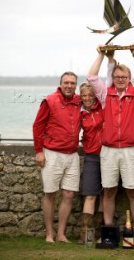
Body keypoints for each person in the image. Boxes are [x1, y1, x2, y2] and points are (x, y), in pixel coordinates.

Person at [87, 44, 134, 245]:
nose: (120, 80)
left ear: (129, 78)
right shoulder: (106, 95)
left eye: (124, 77)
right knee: (109, 190)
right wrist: (100, 54)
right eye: (117, 77)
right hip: (108, 150)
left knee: (133, 191)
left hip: (130, 150)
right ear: (113, 79)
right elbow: (91, 76)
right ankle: (107, 231)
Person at [33, 72, 81, 243]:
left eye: (72, 83)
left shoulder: (79, 101)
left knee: (68, 195)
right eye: (66, 82)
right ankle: (49, 234)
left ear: (76, 85)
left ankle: (61, 234)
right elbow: (37, 126)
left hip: (72, 155)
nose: (69, 85)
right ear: (60, 84)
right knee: (50, 194)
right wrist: (39, 151)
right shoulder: (50, 100)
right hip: (52, 154)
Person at [77, 52, 116, 244]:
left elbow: (108, 81)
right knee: (91, 194)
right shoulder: (80, 113)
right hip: (92, 156)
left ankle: (101, 234)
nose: (87, 98)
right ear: (80, 97)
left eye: (91, 95)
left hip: (109, 155)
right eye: (84, 95)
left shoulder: (103, 105)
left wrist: (109, 60)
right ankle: (86, 235)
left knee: (106, 194)